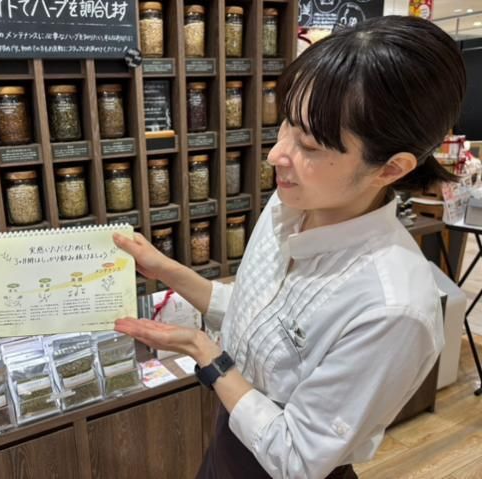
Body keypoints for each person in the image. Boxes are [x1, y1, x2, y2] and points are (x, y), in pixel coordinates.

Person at [113, 15, 466, 479]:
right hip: (230, 442)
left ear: (391, 169)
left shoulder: (393, 308)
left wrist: (206, 354)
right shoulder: (288, 205)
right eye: (286, 123)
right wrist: (166, 269)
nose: (276, 154)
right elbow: (255, 319)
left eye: (310, 145)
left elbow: (297, 458)